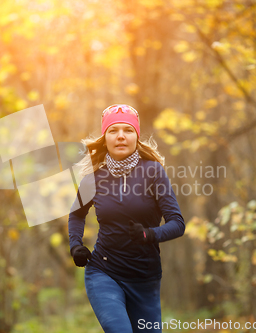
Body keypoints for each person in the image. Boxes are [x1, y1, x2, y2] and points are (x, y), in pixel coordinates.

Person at [67, 104, 186, 333]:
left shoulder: (154, 172)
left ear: (136, 137)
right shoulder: (93, 179)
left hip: (145, 277)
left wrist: (150, 234)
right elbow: (76, 215)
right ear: (105, 138)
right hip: (104, 271)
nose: (121, 136)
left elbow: (177, 223)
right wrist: (76, 246)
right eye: (113, 130)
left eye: (128, 130)